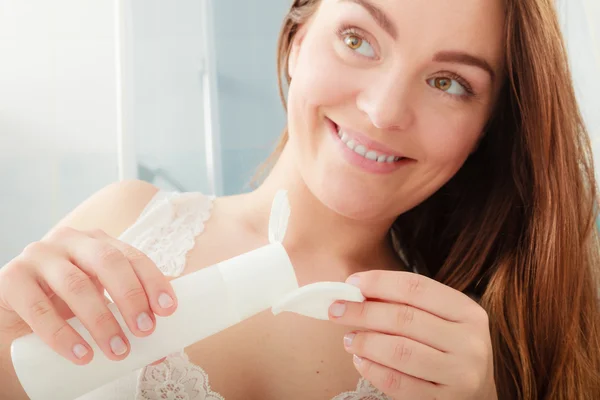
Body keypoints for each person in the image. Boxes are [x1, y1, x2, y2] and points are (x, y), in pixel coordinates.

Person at [1, 0, 599, 398]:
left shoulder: (476, 346)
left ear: (486, 131)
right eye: (357, 40)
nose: (384, 111)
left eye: (449, 83)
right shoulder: (125, 220)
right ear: (296, 37)